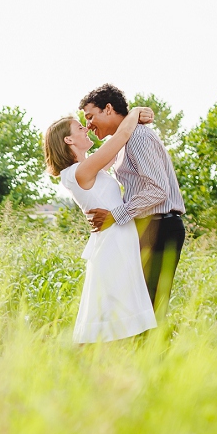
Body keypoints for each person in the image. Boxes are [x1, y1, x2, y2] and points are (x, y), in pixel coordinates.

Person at [44, 107, 157, 344]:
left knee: (117, 312)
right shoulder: (78, 172)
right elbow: (119, 138)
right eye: (80, 127)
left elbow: (114, 151)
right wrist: (134, 112)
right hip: (112, 246)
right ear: (68, 140)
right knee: (109, 312)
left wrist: (109, 123)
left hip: (119, 242)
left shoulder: (90, 168)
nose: (86, 129)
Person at [79, 84, 186, 321]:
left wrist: (116, 215)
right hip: (147, 228)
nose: (88, 124)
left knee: (150, 309)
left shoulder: (138, 136)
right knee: (137, 309)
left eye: (90, 116)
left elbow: (158, 189)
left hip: (160, 228)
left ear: (108, 108)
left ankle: (157, 357)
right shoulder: (125, 140)